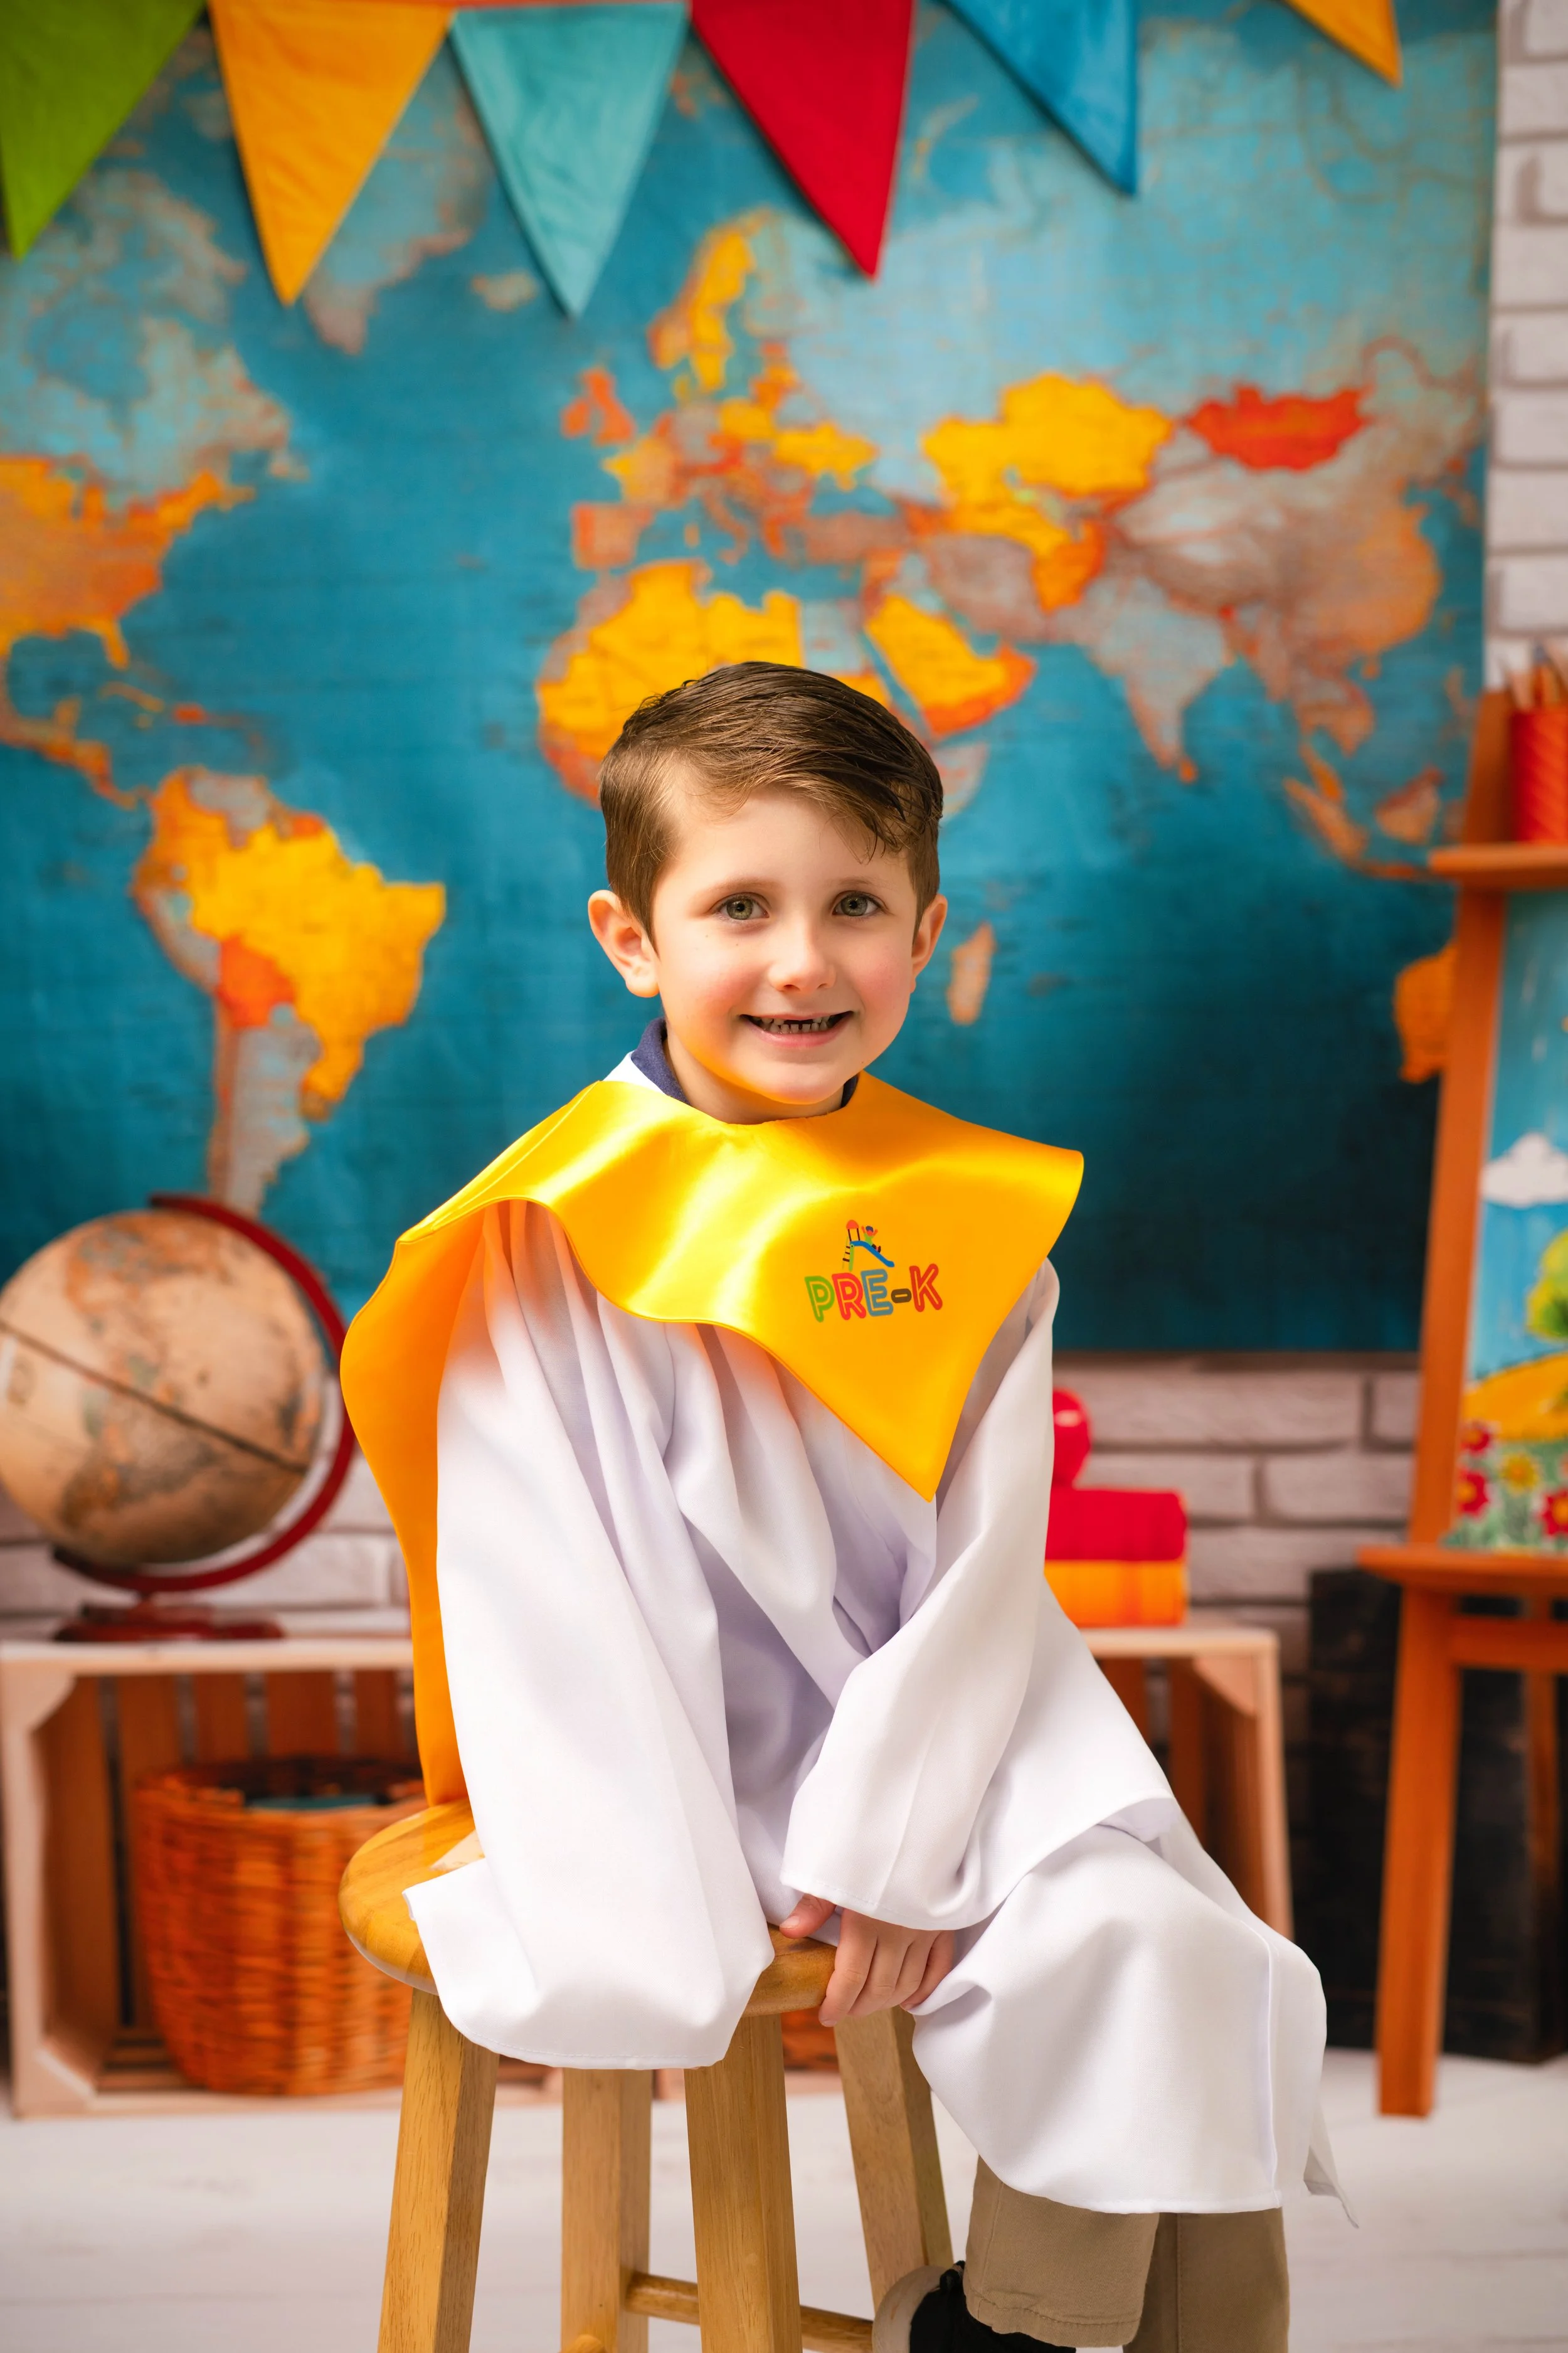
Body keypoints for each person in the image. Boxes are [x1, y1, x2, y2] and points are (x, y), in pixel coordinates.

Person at [342, 662, 1337, 2353]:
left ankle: (1012, 2326)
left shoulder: (967, 1214)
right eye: (741, 904)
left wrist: (905, 1839)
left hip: (942, 1738)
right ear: (631, 937)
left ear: (925, 932)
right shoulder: (550, 1230)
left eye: (854, 904)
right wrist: (796, 1858)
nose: (803, 960)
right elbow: (553, 1591)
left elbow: (982, 1577)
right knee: (1140, 1965)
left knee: (1180, 1949)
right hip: (678, 1761)